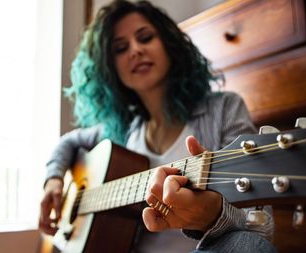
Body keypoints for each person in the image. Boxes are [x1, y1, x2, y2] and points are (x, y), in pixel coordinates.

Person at [39, 1, 276, 252]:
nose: (135, 50)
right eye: (120, 48)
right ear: (110, 69)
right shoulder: (121, 129)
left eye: (145, 38)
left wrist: (214, 216)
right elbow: (68, 142)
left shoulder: (224, 108)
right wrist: (53, 180)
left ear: (168, 44)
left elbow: (263, 225)